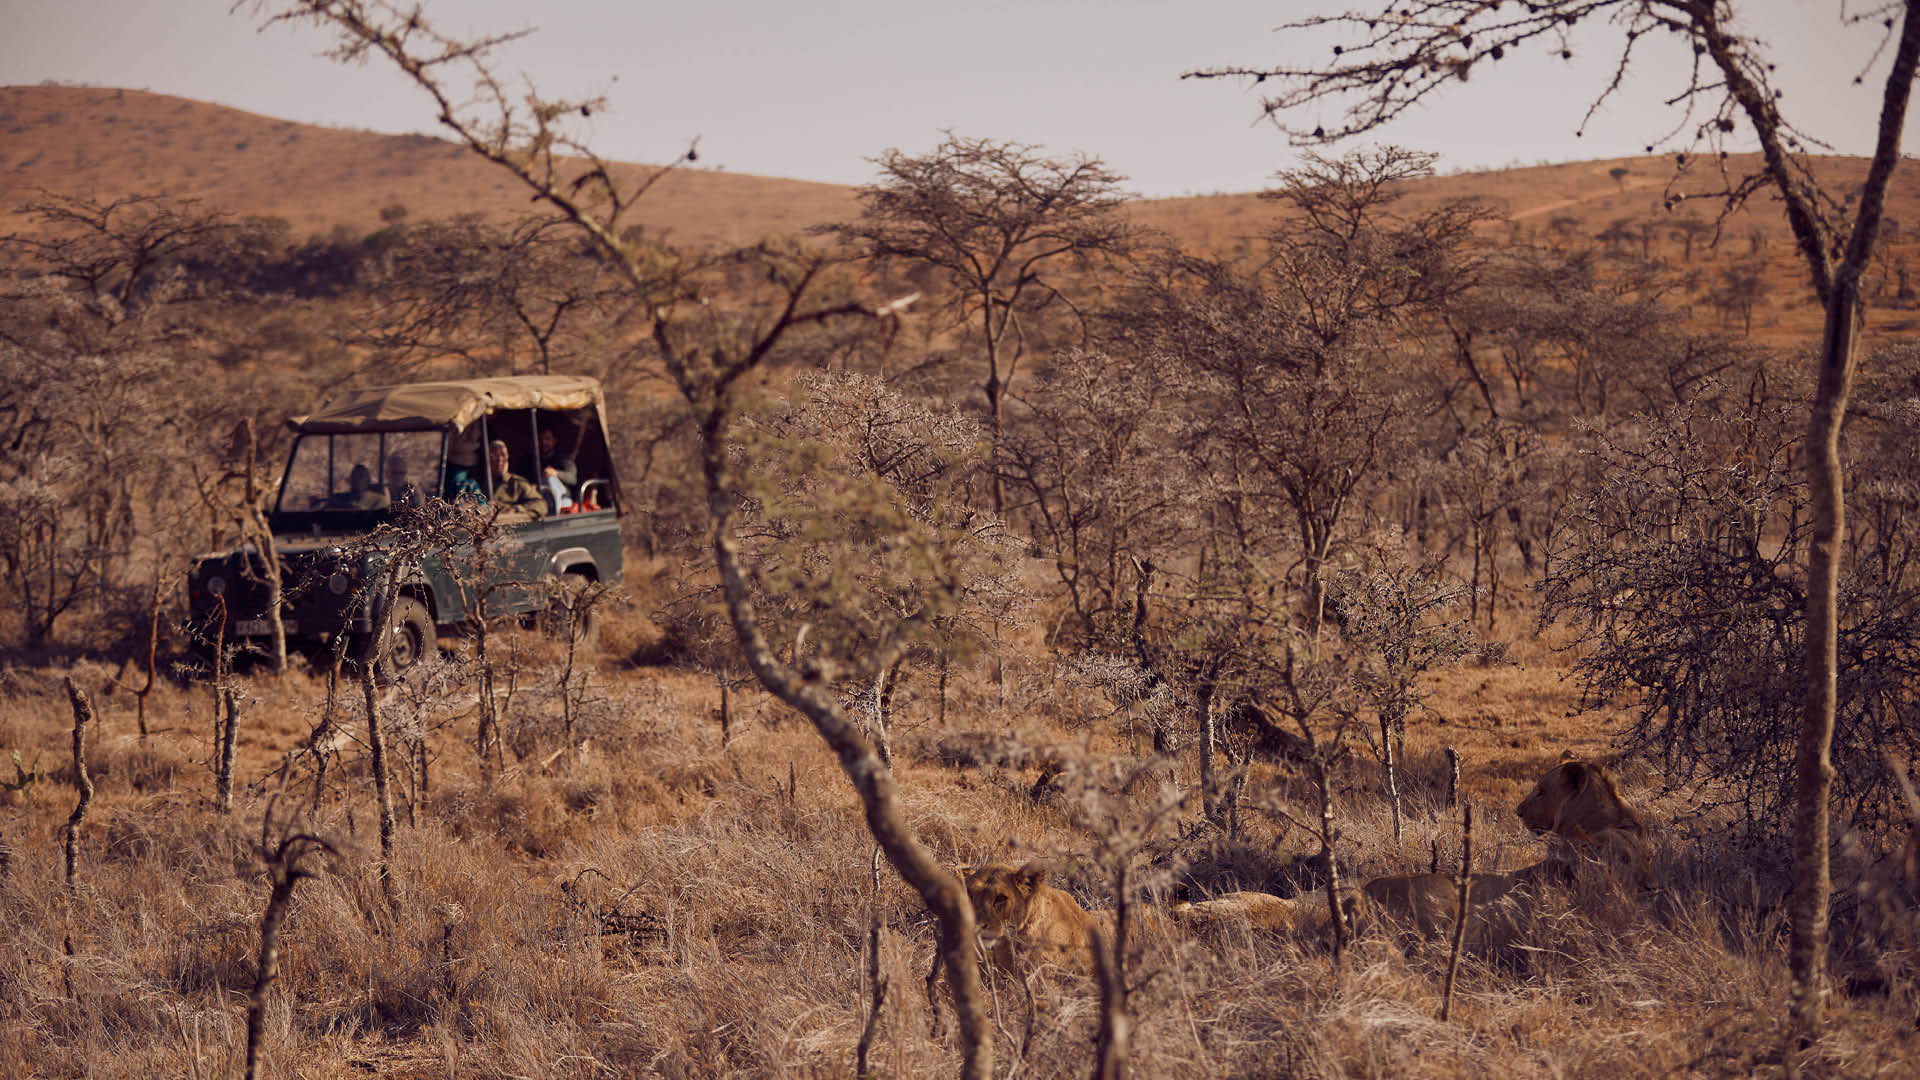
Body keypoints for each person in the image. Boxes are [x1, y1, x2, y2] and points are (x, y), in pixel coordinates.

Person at [487, 439, 547, 519]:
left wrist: (516, 509)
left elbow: (541, 505)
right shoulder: (477, 483)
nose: (500, 460)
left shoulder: (516, 482)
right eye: (494, 455)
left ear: (507, 457)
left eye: (503, 455)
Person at [535, 424, 578, 512]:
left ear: (554, 441)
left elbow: (572, 479)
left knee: (550, 480)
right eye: (540, 439)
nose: (544, 442)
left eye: (547, 439)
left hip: (563, 500)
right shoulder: (531, 460)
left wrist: (556, 473)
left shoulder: (563, 458)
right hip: (538, 500)